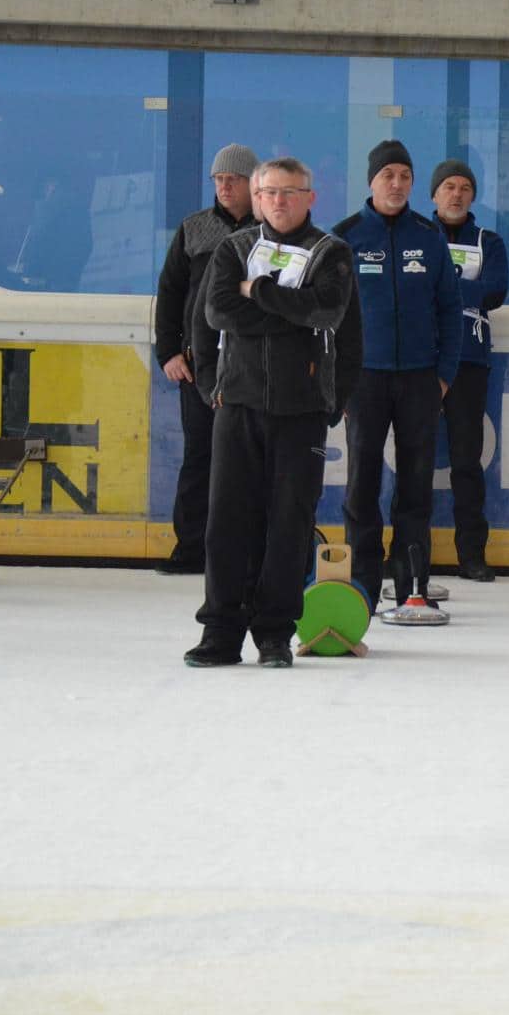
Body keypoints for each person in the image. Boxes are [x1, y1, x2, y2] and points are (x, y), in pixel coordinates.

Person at [187, 157, 362, 668]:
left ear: (310, 197)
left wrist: (259, 291)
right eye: (268, 193)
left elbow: (329, 313)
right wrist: (212, 386)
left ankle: (273, 635)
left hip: (301, 410)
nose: (278, 201)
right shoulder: (234, 248)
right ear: (257, 198)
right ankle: (220, 633)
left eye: (289, 192)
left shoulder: (332, 252)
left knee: (289, 523)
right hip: (237, 405)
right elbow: (216, 312)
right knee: (227, 523)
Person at [331, 140, 464, 611]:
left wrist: (443, 376)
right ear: (371, 181)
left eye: (405, 176)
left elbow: (451, 310)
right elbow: (326, 316)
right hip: (363, 381)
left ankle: (412, 584)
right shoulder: (345, 237)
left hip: (420, 381)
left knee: (416, 486)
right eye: (388, 175)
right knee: (361, 486)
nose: (397, 183)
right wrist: (339, 380)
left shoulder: (429, 236)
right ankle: (362, 585)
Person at [152, 142, 257, 575]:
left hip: (255, 367)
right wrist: (168, 352)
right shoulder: (193, 229)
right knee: (200, 457)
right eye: (219, 179)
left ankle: (248, 550)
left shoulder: (271, 231)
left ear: (253, 183)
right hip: (199, 368)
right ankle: (192, 548)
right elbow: (170, 292)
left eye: (233, 179)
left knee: (251, 460)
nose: (225, 186)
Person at [429, 158, 509, 582]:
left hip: (470, 359)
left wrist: (438, 285)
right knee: (414, 457)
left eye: (464, 187)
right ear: (434, 194)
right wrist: (464, 291)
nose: (456, 194)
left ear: (473, 195)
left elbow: (494, 291)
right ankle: (407, 551)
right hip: (421, 359)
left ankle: (472, 554)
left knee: (466, 460)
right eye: (448, 186)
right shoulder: (418, 236)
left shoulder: (488, 241)